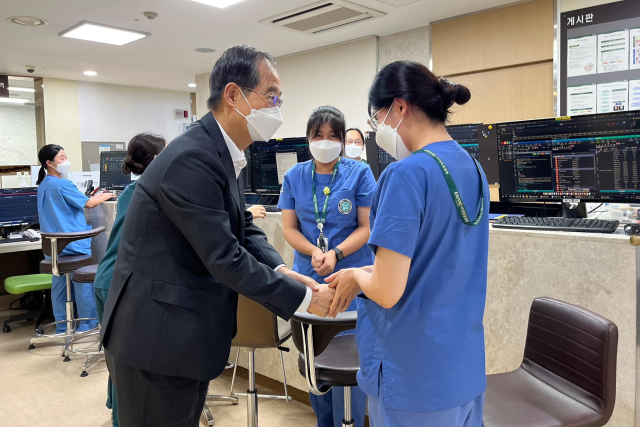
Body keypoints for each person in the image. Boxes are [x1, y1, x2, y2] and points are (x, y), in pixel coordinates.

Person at [100, 45, 334, 427]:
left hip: (180, 337)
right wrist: (305, 300)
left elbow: (242, 226)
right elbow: (224, 256)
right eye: (271, 96)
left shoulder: (222, 153)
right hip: (155, 340)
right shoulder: (192, 157)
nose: (276, 107)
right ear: (233, 95)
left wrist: (279, 268)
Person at [327, 61, 489, 427]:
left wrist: (355, 275)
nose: (378, 131)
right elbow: (435, 263)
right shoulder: (473, 168)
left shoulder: (406, 174)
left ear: (399, 107)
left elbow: (386, 290)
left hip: (413, 378)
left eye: (376, 119)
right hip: (462, 369)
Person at [278, 106, 375, 427]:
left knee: (353, 361)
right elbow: (290, 228)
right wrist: (314, 253)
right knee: (316, 359)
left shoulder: (359, 173)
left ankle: (351, 421)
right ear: (308, 139)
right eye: (318, 135)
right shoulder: (294, 176)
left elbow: (366, 227)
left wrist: (335, 253)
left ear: (342, 140)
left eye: (333, 135)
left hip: (352, 279)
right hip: (311, 281)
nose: (326, 141)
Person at [92, 133, 166, 427]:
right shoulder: (155, 192)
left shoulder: (131, 191)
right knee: (129, 368)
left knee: (117, 360)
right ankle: (123, 419)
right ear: (160, 160)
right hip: (121, 284)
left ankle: (116, 411)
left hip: (106, 278)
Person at [36, 145, 115, 334]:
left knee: (60, 286)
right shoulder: (63, 184)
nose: (66, 161)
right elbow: (89, 203)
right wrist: (105, 195)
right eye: (62, 158)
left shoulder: (44, 185)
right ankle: (87, 325)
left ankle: (62, 327)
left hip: (55, 249)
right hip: (73, 245)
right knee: (82, 284)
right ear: (49, 163)